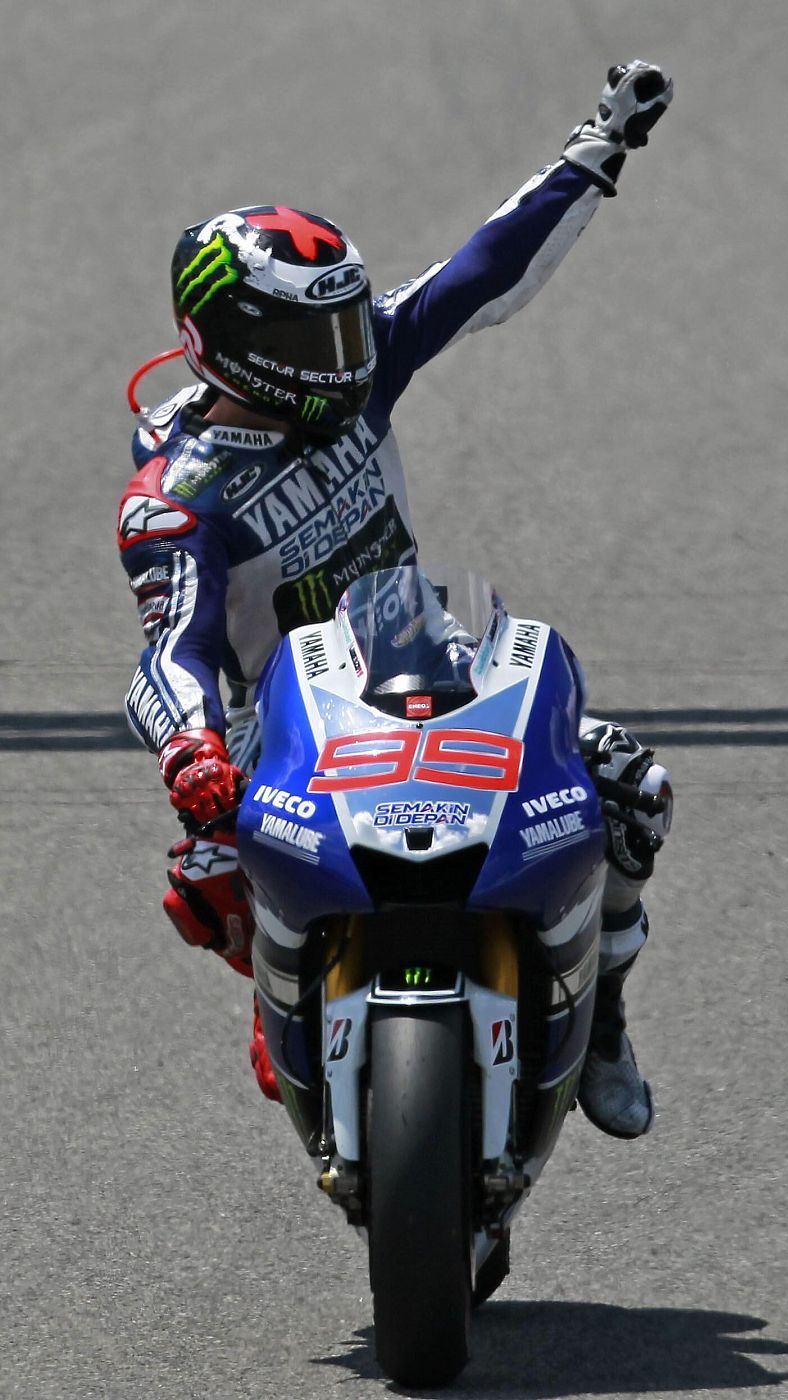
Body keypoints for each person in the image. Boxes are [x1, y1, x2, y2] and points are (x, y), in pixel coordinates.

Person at [117, 61, 675, 1139]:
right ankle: (289, 985)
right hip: (281, 720)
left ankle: (601, 1014)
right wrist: (191, 757)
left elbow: (480, 273)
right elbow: (167, 652)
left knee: (629, 788)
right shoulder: (175, 499)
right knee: (208, 869)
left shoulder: (361, 366)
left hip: (427, 659)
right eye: (306, 344)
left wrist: (594, 152)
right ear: (225, 343)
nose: (343, 359)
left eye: (344, 330)